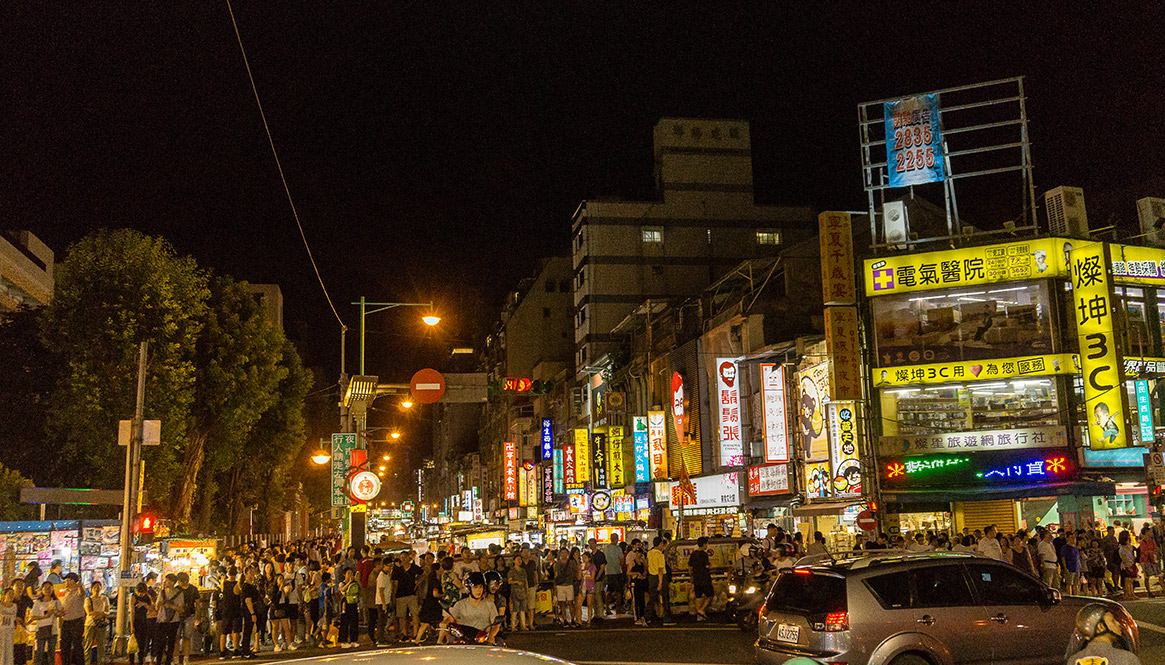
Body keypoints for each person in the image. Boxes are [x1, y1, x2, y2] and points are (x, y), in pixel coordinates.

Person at [1065, 603, 1141, 665]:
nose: (1118, 623)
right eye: (1112, 621)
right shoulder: (1127, 659)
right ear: (1100, 627)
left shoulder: (1073, 660)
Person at [443, 572, 498, 642]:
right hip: (464, 639)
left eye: (481, 587)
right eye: (475, 587)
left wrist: (491, 636)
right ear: (468, 588)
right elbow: (451, 618)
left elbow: (496, 625)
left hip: (483, 640)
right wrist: (445, 623)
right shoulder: (460, 604)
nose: (479, 590)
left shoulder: (490, 605)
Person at [392, 553, 422, 643]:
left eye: (405, 557)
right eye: (402, 558)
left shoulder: (414, 567)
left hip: (411, 594)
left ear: (409, 558)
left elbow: (423, 574)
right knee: (402, 616)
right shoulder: (397, 570)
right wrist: (393, 595)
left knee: (414, 614)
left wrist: (418, 582)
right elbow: (395, 583)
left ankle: (415, 634)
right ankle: (404, 634)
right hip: (400, 595)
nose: (403, 559)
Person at [30, 582, 61, 665]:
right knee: (39, 652)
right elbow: (33, 616)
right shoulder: (38, 602)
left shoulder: (56, 601)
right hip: (41, 629)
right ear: (42, 590)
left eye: (49, 588)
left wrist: (56, 612)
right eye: (45, 588)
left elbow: (61, 613)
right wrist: (45, 616)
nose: (47, 590)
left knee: (51, 653)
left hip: (53, 630)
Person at [154, 574, 182, 665]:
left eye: (167, 581)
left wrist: (171, 606)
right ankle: (159, 660)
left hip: (174, 621)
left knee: (171, 642)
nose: (165, 582)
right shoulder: (162, 592)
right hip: (162, 621)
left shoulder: (179, 593)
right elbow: (156, 607)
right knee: (160, 642)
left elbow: (181, 609)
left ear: (173, 582)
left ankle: (168, 661)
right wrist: (159, 605)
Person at [58, 574, 84, 665]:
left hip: (77, 622)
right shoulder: (65, 592)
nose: (66, 582)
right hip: (66, 621)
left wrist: (79, 585)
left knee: (77, 646)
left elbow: (82, 592)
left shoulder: (79, 591)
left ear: (73, 581)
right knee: (64, 646)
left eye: (67, 580)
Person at [83, 581, 110, 665]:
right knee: (88, 645)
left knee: (101, 645)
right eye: (95, 587)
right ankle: (87, 662)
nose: (97, 589)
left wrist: (100, 614)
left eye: (98, 587)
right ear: (91, 589)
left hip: (101, 624)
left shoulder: (105, 598)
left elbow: (107, 611)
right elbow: (89, 612)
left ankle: (100, 662)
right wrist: (101, 613)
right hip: (90, 624)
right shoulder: (88, 599)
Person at [688, 537, 713, 622]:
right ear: (704, 544)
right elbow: (706, 566)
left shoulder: (693, 554)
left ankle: (699, 616)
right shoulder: (704, 554)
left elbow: (690, 567)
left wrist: (691, 576)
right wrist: (709, 566)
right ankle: (701, 610)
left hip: (696, 578)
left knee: (698, 596)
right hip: (704, 578)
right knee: (710, 595)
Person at [645, 537, 667, 626]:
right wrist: (660, 583)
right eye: (662, 544)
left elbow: (647, 564)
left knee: (652, 598)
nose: (662, 546)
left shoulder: (649, 553)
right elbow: (660, 570)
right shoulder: (660, 555)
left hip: (651, 577)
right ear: (659, 544)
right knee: (664, 597)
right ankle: (665, 618)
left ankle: (647, 616)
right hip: (659, 577)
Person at [552, 549, 577, 627]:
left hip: (569, 584)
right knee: (562, 603)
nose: (563, 554)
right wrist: (555, 586)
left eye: (565, 553)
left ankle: (573, 619)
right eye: (562, 553)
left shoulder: (571, 563)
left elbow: (575, 571)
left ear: (568, 554)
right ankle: (565, 619)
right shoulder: (557, 564)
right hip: (560, 585)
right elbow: (556, 575)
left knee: (570, 603)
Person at [601, 536, 625, 615]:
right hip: (617, 572)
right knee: (619, 591)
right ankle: (618, 608)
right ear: (617, 539)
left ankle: (607, 607)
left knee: (609, 591)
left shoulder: (605, 549)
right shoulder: (618, 549)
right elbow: (621, 561)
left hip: (608, 572)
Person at [130, 583, 152, 665]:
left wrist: (144, 604)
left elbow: (152, 608)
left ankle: (140, 661)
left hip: (145, 622)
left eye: (142, 592)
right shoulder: (133, 597)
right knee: (133, 643)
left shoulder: (147, 598)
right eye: (139, 592)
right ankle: (131, 661)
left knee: (142, 643)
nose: (140, 594)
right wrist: (132, 626)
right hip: (136, 621)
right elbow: (132, 612)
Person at [338, 568, 360, 648]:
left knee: (354, 622)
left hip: (354, 602)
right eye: (348, 573)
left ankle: (354, 640)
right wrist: (350, 582)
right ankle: (343, 641)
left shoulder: (355, 583)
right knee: (345, 622)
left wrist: (357, 580)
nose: (350, 575)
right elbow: (342, 589)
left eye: (351, 573)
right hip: (345, 603)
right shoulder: (342, 583)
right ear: (344, 574)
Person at [506, 556, 529, 631]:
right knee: (515, 609)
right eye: (517, 559)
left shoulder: (523, 570)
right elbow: (509, 581)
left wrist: (527, 589)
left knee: (522, 609)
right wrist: (516, 582)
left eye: (520, 559)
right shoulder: (512, 571)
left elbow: (526, 581)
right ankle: (513, 626)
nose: (519, 561)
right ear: (514, 561)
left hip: (523, 591)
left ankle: (523, 625)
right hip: (515, 591)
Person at [1139, 524, 1159, 598]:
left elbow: (1155, 549)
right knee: (1147, 577)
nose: (1151, 533)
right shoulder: (1143, 542)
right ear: (1146, 532)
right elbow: (1144, 551)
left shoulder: (1152, 541)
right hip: (1145, 560)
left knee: (1159, 574)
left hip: (1152, 560)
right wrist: (1151, 552)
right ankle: (1149, 591)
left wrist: (1152, 552)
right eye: (1149, 531)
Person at [1118, 531, 1138, 601]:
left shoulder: (1129, 547)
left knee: (1131, 580)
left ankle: (1131, 594)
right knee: (1127, 581)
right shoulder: (1122, 548)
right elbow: (1123, 558)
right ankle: (1127, 594)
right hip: (1125, 566)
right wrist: (1128, 567)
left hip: (1131, 563)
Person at [1, 587, 18, 665]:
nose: (11, 596)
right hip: (1, 630)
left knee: (9, 649)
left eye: (13, 594)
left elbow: (14, 618)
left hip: (10, 631)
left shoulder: (14, 606)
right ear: (4, 595)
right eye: (9, 594)